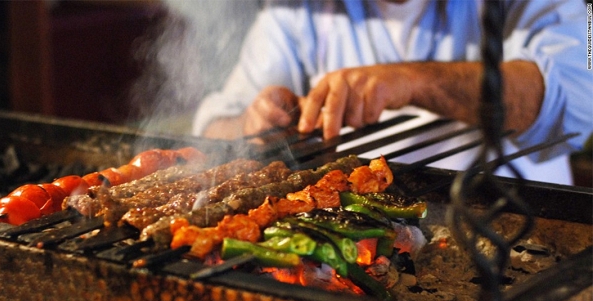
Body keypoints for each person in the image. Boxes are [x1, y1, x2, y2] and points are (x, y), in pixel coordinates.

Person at [191, 0, 591, 185]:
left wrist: (415, 80)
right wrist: (251, 123)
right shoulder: (297, 10)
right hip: (370, 243)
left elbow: (579, 95)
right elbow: (216, 128)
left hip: (521, 244)